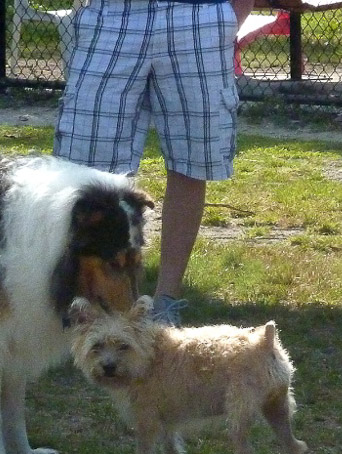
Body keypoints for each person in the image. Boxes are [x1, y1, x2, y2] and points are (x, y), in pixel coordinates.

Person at [54, 0, 253, 325]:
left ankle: (165, 304)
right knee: (86, 166)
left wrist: (232, 15)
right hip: (113, 14)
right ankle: (88, 300)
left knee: (192, 159)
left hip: (196, 13)